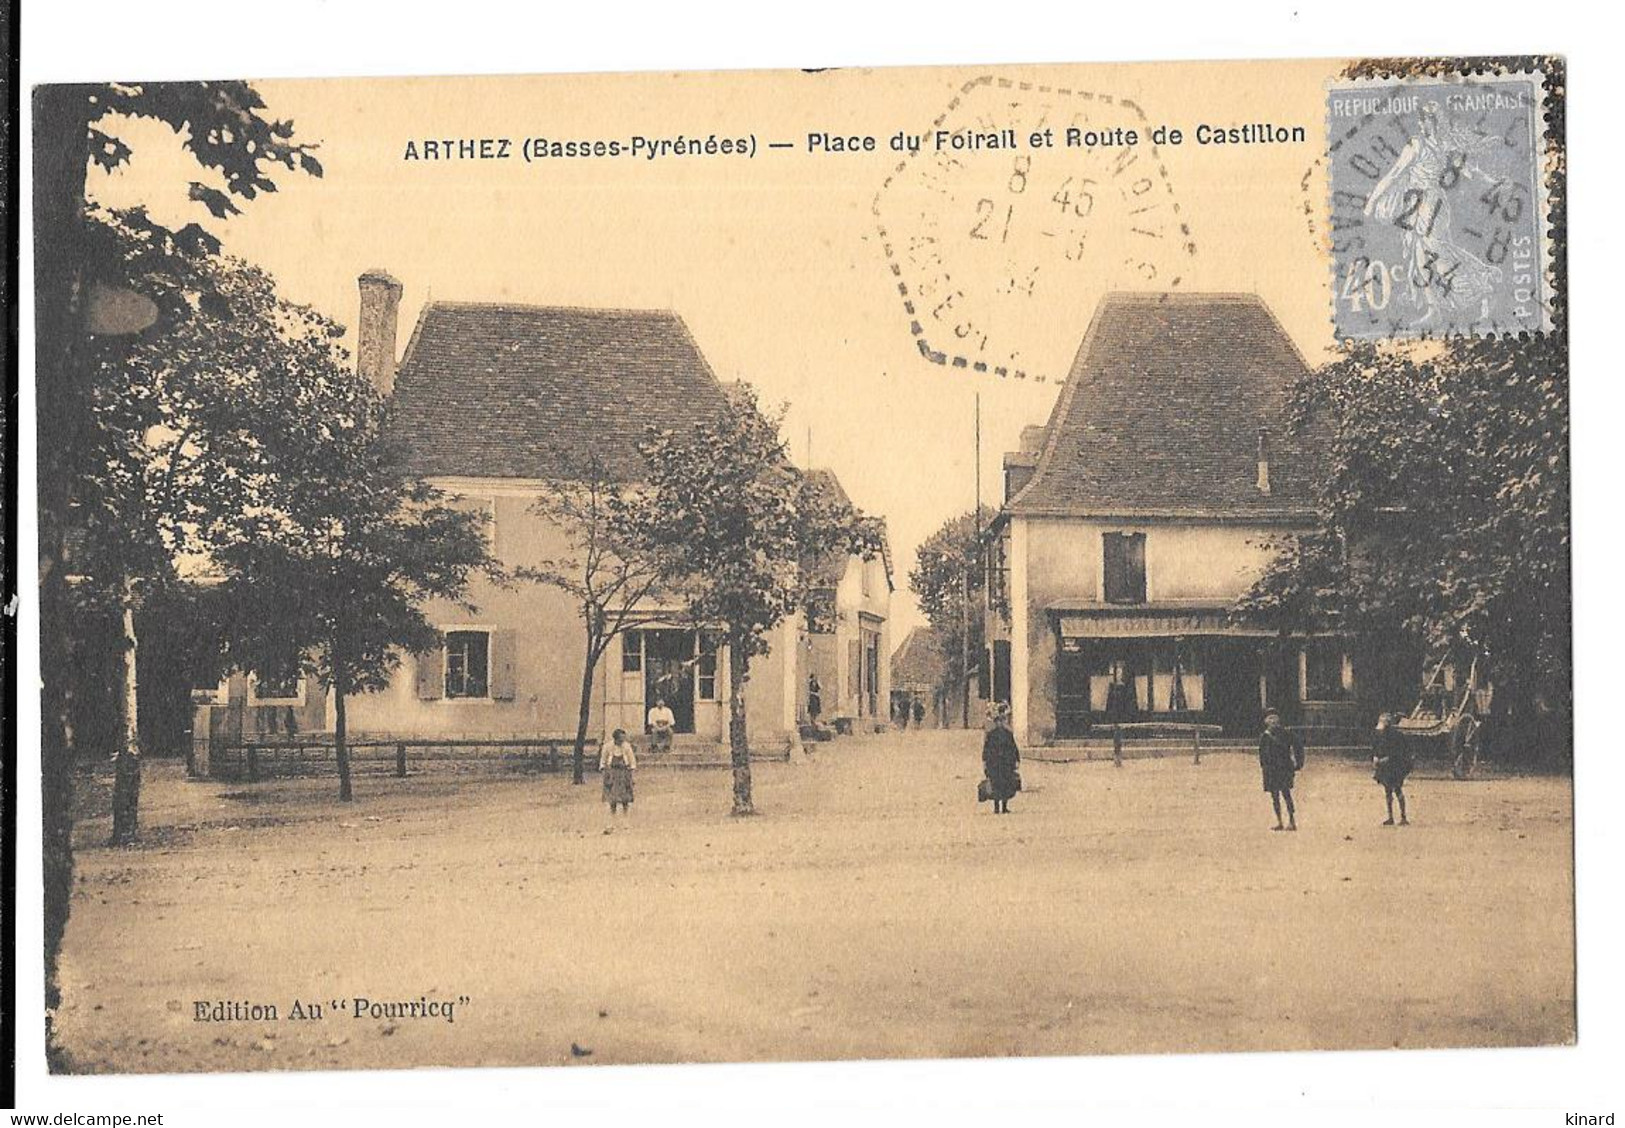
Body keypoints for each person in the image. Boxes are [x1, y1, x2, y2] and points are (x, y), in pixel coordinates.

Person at [1258, 708, 1305, 831]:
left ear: (1279, 720)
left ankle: (1292, 820)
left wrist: (1299, 763)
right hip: (1271, 770)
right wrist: (1264, 768)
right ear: (1266, 721)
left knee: (1286, 794)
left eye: (1275, 718)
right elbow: (1262, 754)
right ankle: (1279, 821)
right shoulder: (1265, 736)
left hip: (1284, 768)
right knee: (1274, 797)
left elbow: (1298, 746)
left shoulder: (1286, 733)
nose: (1272, 721)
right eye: (1270, 718)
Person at [1372, 712, 1413, 826]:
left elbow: (1399, 753)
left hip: (1396, 767)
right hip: (1385, 767)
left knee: (1397, 789)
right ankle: (1390, 817)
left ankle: (1403, 817)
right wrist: (1375, 757)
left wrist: (1385, 759)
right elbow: (1376, 748)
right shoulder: (1381, 735)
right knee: (1387, 791)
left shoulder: (1397, 736)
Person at [981, 702, 1022, 815]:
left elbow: (1013, 747)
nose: (1000, 723)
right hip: (995, 764)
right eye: (998, 721)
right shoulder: (992, 734)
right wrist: (985, 762)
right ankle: (997, 807)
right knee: (996, 785)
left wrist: (1017, 759)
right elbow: (986, 749)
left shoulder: (1007, 734)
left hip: (1005, 763)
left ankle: (1004, 807)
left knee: (1005, 785)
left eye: (1001, 721)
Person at [600, 728, 637, 815]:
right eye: (620, 739)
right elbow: (603, 759)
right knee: (613, 793)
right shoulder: (608, 746)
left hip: (624, 772)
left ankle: (625, 811)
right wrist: (604, 770)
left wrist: (632, 769)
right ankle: (613, 812)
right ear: (615, 739)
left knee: (625, 793)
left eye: (623, 739)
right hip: (612, 772)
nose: (622, 741)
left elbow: (631, 759)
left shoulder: (627, 746)